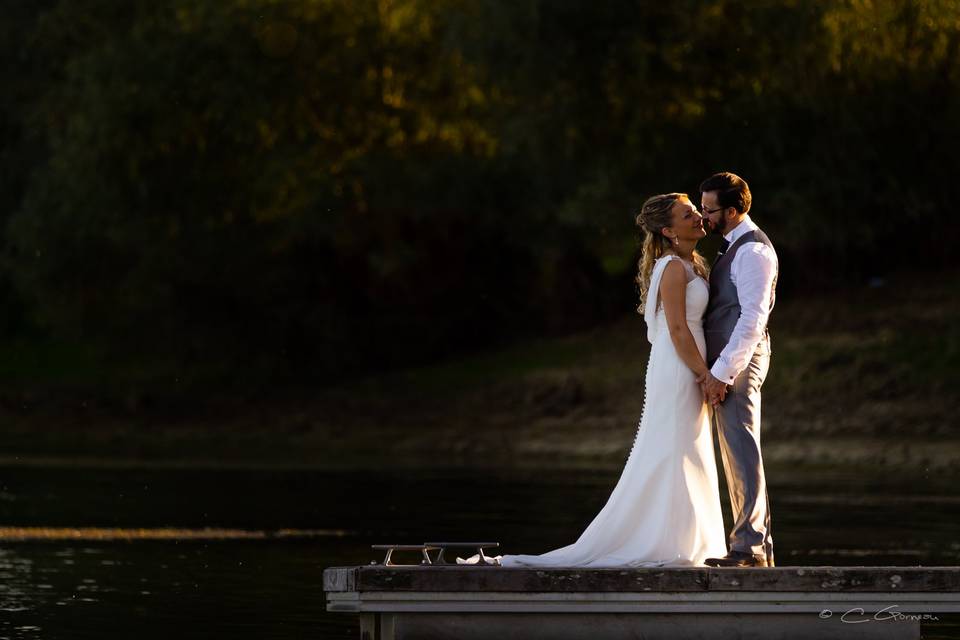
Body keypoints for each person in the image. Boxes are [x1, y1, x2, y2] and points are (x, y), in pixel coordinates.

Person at [459, 192, 727, 567]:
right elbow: (679, 328)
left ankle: (685, 539)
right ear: (668, 230)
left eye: (696, 211)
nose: (698, 216)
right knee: (674, 446)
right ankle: (664, 542)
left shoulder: (692, 262)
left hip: (689, 361)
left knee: (688, 446)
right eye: (688, 213)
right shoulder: (672, 268)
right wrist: (704, 374)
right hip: (680, 366)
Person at [698, 172, 778, 568]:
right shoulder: (733, 247)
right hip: (730, 360)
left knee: (742, 449)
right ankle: (756, 548)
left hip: (740, 360)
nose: (703, 217)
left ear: (732, 211)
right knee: (735, 451)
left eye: (709, 210)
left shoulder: (753, 253)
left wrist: (722, 372)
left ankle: (750, 548)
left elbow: (752, 321)